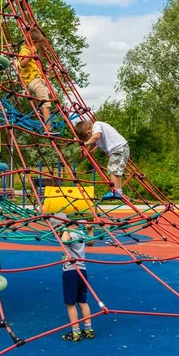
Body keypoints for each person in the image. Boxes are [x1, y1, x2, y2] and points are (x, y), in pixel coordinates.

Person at [50, 213, 95, 342]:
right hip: (82, 270)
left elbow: (64, 241)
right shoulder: (80, 233)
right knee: (83, 301)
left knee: (70, 303)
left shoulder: (69, 234)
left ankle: (76, 332)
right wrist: (90, 230)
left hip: (71, 271)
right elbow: (91, 242)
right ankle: (88, 329)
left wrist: (64, 229)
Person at [75, 120, 129, 199]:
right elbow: (93, 143)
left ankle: (116, 192)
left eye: (88, 138)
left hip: (119, 148)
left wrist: (85, 143)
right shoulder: (95, 131)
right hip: (119, 149)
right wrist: (86, 152)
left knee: (113, 169)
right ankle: (118, 191)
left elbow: (96, 137)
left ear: (88, 132)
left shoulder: (97, 125)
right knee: (115, 171)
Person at [18, 26, 52, 130]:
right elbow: (22, 64)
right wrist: (31, 53)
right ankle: (48, 128)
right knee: (45, 102)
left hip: (37, 80)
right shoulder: (24, 50)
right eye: (38, 44)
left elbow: (38, 64)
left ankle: (40, 112)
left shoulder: (31, 51)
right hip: (33, 81)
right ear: (32, 42)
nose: (39, 46)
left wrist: (41, 53)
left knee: (49, 92)